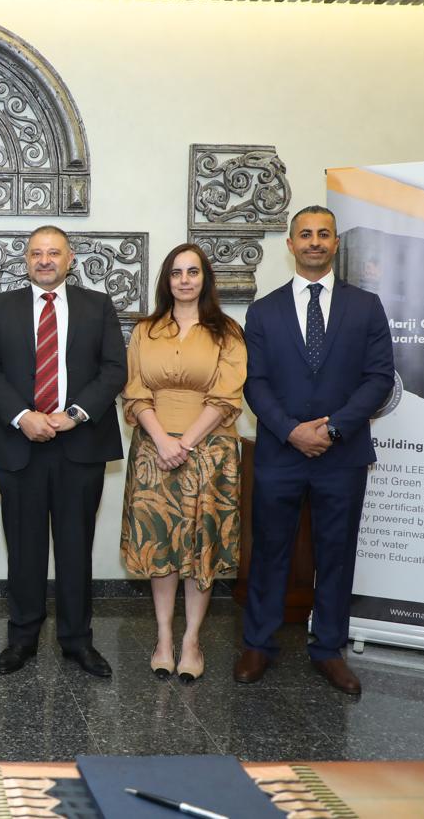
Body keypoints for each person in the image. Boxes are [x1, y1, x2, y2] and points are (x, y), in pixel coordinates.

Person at [235, 205, 394, 696]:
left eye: (324, 234)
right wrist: (292, 432)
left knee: (336, 554)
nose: (314, 242)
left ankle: (328, 648)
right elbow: (255, 383)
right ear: (291, 244)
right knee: (269, 551)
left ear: (335, 243)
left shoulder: (366, 307)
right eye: (305, 234)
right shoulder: (263, 311)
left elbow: (379, 379)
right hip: (280, 455)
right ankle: (258, 643)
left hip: (342, 457)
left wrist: (334, 429)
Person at [0, 225, 127, 678]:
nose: (45, 260)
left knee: (76, 547)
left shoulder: (97, 305)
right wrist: (24, 416)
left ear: (70, 259)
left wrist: (74, 414)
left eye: (54, 253)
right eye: (37, 253)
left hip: (80, 443)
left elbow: (114, 369)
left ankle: (77, 641)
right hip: (18, 445)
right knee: (24, 549)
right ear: (26, 260)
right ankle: (22, 639)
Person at [121, 243, 246, 684]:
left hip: (209, 451)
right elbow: (134, 390)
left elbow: (227, 395)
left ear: (205, 278)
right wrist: (161, 439)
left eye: (193, 272)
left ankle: (191, 639)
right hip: (153, 450)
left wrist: (186, 443)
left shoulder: (227, 331)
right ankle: (163, 638)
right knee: (161, 545)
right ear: (167, 280)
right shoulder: (145, 331)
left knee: (199, 549)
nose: (185, 280)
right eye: (176, 272)